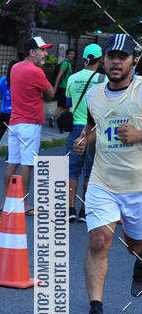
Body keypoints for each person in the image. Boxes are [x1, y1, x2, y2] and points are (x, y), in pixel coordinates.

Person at [73, 34, 142, 314]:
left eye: (122, 57)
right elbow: (95, 128)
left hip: (138, 186)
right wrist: (82, 141)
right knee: (99, 241)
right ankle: (96, 312)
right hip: (103, 182)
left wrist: (139, 136)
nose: (116, 62)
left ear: (134, 61)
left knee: (136, 247)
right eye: (111, 56)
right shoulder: (94, 94)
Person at [2, 36, 54, 213]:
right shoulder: (36, 72)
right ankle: (24, 204)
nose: (45, 54)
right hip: (30, 124)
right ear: (32, 52)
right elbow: (51, 93)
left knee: (12, 163)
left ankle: (5, 202)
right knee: (27, 164)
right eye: (43, 50)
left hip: (15, 122)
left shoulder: (15, 68)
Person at [65, 43, 105, 222]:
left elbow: (68, 101)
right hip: (93, 129)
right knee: (90, 170)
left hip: (75, 127)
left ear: (83, 59)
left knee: (73, 169)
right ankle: (84, 210)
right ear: (101, 59)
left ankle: (70, 208)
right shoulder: (103, 79)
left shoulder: (73, 78)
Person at [50, 48, 76, 128]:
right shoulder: (65, 64)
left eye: (73, 54)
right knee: (63, 105)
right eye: (71, 54)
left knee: (67, 106)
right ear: (67, 55)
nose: (72, 55)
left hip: (66, 88)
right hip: (63, 88)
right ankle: (53, 117)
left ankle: (64, 122)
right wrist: (55, 88)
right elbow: (59, 76)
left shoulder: (69, 64)